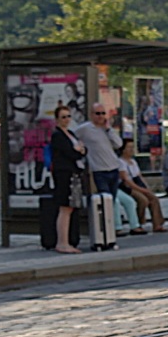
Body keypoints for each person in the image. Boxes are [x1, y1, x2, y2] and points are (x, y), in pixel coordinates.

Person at [50, 105, 86, 254]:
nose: (66, 120)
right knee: (65, 207)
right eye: (63, 117)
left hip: (73, 172)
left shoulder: (70, 133)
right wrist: (78, 151)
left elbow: (82, 150)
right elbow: (71, 152)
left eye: (68, 116)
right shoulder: (57, 135)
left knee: (70, 207)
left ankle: (66, 240)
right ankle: (62, 242)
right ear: (57, 119)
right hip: (64, 173)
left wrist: (80, 150)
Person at [74, 103, 123, 198]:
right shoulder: (85, 129)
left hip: (114, 168)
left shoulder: (108, 129)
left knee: (112, 199)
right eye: (97, 113)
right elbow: (72, 138)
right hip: (99, 170)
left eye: (103, 113)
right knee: (105, 198)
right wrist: (80, 148)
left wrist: (108, 129)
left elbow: (119, 144)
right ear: (91, 115)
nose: (100, 116)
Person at [117, 140, 166, 233]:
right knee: (143, 200)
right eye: (129, 147)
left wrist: (147, 188)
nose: (131, 150)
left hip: (137, 185)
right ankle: (139, 223)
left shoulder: (133, 162)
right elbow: (126, 180)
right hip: (128, 187)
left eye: (132, 147)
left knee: (154, 198)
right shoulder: (120, 162)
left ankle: (157, 224)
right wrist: (141, 190)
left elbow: (139, 176)